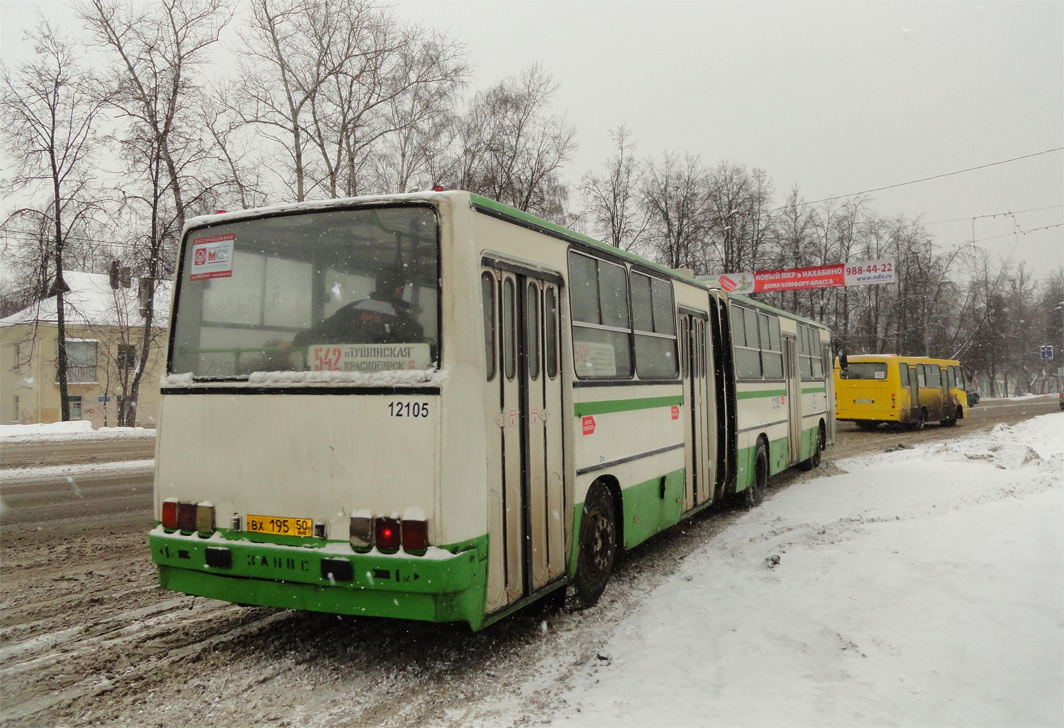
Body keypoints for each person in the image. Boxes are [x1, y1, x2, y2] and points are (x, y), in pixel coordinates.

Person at [293, 270, 424, 347]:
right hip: (384, 383)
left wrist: (296, 342)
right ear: (399, 290)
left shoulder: (350, 310)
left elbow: (321, 330)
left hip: (348, 380)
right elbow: (419, 349)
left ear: (377, 286)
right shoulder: (402, 319)